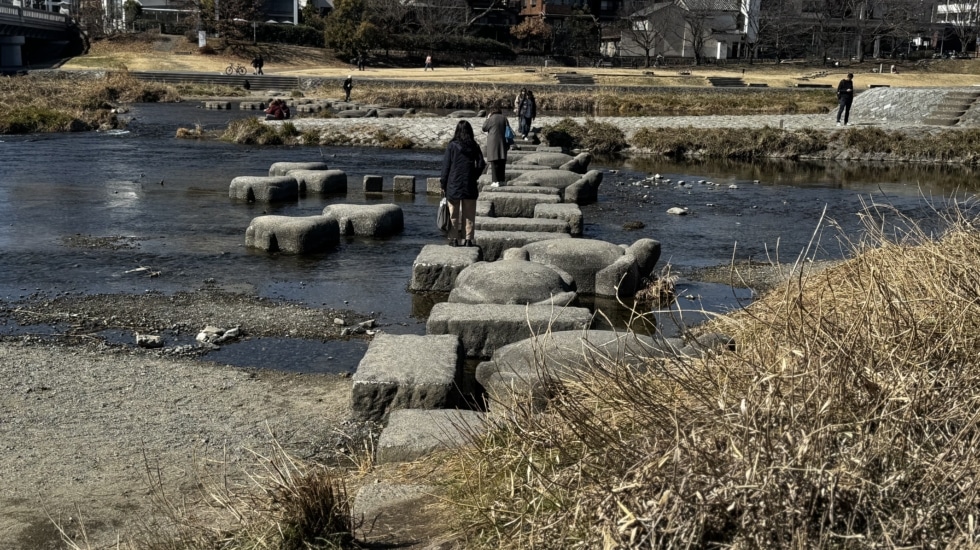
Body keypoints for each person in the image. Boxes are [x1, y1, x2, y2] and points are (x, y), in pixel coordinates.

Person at [439, 120, 486, 248]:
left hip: (453, 183)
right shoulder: (474, 145)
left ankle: (454, 239)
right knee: (469, 214)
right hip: (469, 184)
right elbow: (481, 164)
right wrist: (474, 175)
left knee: (453, 214)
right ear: (470, 131)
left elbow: (446, 167)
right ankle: (468, 240)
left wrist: (443, 183)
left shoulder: (452, 146)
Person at [482, 101, 511, 187]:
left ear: (491, 111)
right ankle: (502, 180)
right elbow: (508, 129)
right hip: (503, 141)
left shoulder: (491, 118)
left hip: (493, 142)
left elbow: (484, 128)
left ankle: (495, 181)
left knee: (494, 162)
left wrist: (487, 118)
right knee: (502, 162)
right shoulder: (504, 118)